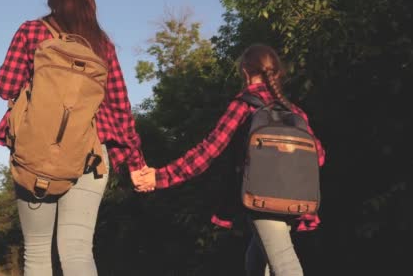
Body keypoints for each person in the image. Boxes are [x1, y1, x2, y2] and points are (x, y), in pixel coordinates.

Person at [0, 0, 153, 276]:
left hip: (34, 155)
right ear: (90, 0)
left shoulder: (30, 31)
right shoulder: (102, 45)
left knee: (38, 252)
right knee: (77, 250)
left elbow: (5, 87)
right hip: (89, 155)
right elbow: (120, 109)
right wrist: (137, 163)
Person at [139, 45, 326, 276]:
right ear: (277, 73)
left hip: (263, 197)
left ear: (245, 72)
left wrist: (160, 177)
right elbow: (319, 157)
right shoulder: (295, 112)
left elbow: (208, 151)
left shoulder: (245, 104)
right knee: (256, 261)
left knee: (284, 264)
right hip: (296, 201)